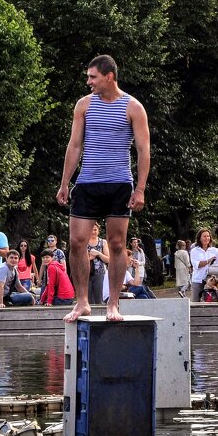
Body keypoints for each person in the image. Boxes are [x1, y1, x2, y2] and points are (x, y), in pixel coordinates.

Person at [56, 54, 151, 322]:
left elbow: (144, 151)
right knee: (76, 242)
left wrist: (140, 189)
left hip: (119, 183)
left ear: (109, 76)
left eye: (93, 77)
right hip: (87, 182)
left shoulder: (133, 107)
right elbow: (74, 146)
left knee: (117, 244)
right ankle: (83, 301)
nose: (88, 82)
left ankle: (113, 304)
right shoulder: (83, 105)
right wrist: (65, 183)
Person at [188, 229, 218, 302]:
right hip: (198, 280)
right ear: (199, 238)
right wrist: (208, 261)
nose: (206, 238)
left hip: (211, 281)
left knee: (211, 301)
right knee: (196, 302)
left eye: (208, 236)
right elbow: (196, 265)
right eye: (204, 236)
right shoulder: (194, 251)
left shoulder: (215, 250)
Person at [83, 222, 109, 305]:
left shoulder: (103, 242)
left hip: (100, 272)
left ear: (98, 231)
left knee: (99, 298)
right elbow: (79, 259)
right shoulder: (84, 242)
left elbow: (108, 259)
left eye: (95, 230)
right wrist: (90, 258)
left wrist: (98, 253)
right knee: (87, 298)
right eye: (91, 230)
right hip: (86, 272)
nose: (93, 232)